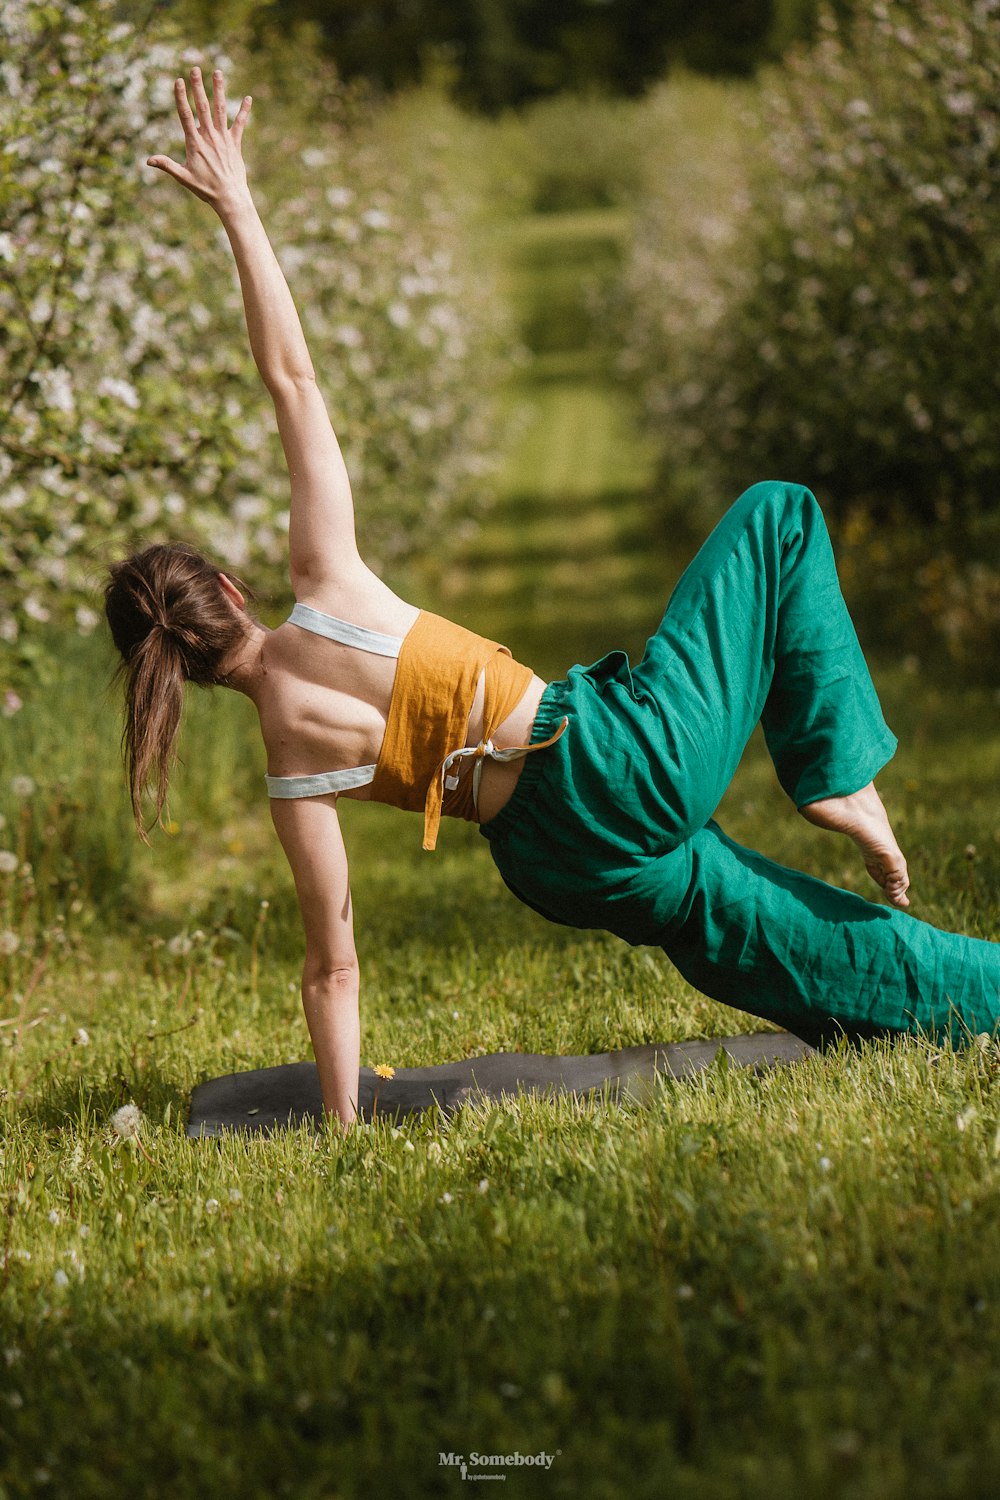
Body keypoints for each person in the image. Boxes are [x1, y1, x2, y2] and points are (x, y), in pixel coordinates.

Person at [105, 69, 1000, 1131]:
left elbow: (330, 968)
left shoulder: (290, 770)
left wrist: (343, 1129)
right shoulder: (326, 585)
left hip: (556, 868)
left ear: (185, 676)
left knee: (787, 941)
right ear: (226, 590)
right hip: (609, 760)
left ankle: (962, 999)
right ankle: (836, 778)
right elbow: (291, 380)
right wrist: (239, 208)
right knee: (778, 516)